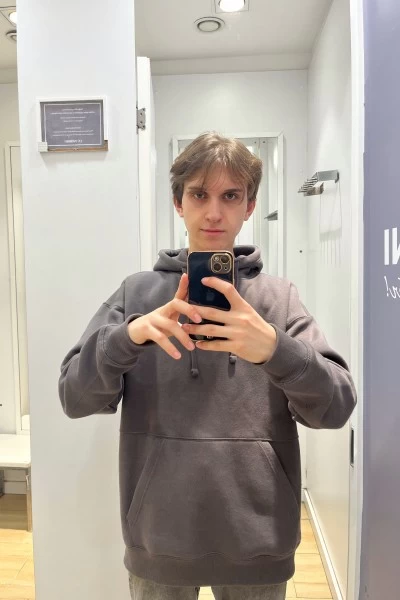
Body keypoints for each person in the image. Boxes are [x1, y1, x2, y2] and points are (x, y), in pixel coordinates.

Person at [59, 132, 357, 600]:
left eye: (230, 196)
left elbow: (336, 407)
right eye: (199, 194)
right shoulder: (137, 295)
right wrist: (126, 339)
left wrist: (274, 348)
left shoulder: (278, 300)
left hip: (258, 541)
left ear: (249, 206)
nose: (214, 213)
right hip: (159, 537)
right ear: (178, 203)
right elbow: (74, 398)